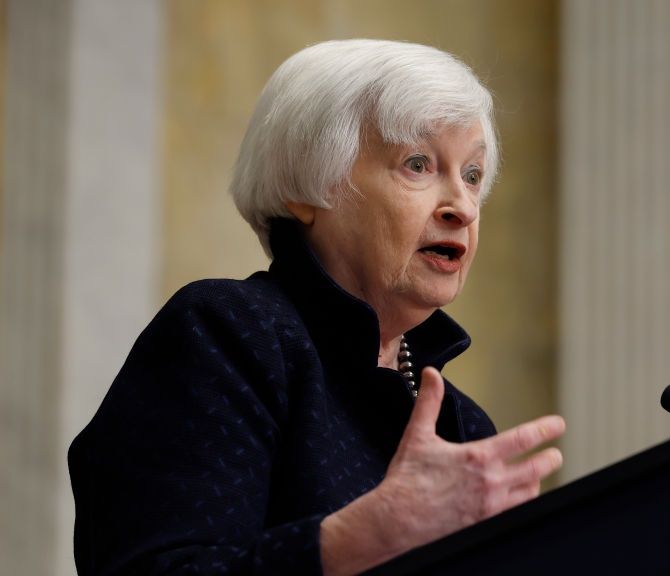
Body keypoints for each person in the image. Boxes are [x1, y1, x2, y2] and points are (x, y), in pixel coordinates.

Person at [68, 39, 565, 575]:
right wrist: (362, 538)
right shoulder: (228, 335)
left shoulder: (463, 426)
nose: (463, 208)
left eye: (472, 175)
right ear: (308, 186)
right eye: (418, 164)